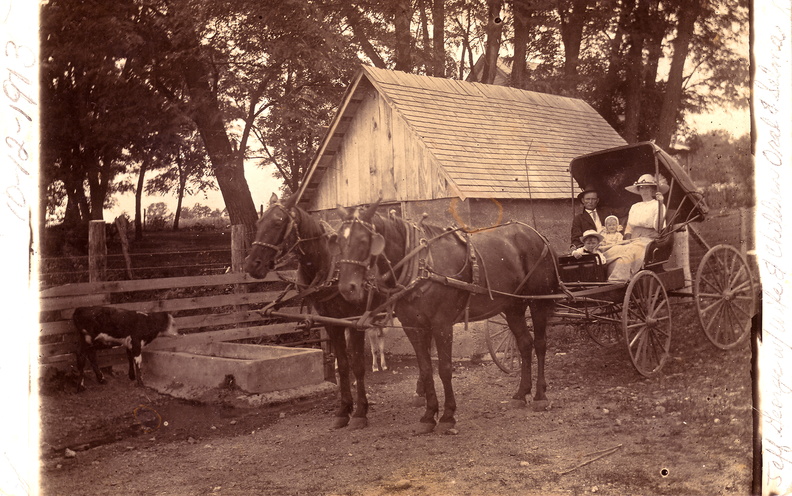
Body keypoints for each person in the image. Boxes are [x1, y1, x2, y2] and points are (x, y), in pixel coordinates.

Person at [602, 173, 668, 282]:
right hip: (633, 239)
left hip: (648, 240)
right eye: (641, 188)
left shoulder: (658, 205)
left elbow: (659, 227)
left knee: (628, 254)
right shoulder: (635, 206)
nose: (644, 191)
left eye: (647, 188)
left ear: (652, 190)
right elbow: (629, 227)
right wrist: (626, 239)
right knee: (614, 249)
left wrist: (661, 203)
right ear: (638, 190)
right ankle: (604, 277)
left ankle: (618, 280)